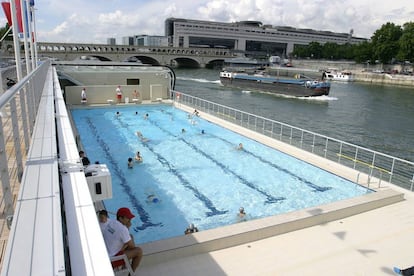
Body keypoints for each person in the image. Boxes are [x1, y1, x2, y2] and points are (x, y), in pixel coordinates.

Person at [102, 207, 143, 273]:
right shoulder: (123, 229)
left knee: (130, 237)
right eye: (128, 218)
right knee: (139, 251)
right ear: (120, 218)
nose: (130, 220)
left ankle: (124, 264)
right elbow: (132, 247)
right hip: (111, 260)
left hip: (106, 253)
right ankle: (131, 273)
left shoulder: (112, 222)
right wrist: (128, 227)